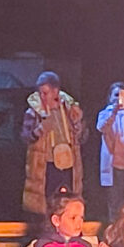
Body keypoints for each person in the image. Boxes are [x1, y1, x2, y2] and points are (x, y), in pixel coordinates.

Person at [21, 72, 84, 214]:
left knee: (68, 200)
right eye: (40, 93)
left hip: (68, 164)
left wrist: (79, 128)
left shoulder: (69, 110)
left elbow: (82, 136)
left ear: (56, 91)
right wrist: (40, 129)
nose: (42, 97)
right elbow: (26, 137)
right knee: (49, 201)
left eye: (45, 93)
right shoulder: (34, 112)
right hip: (47, 165)